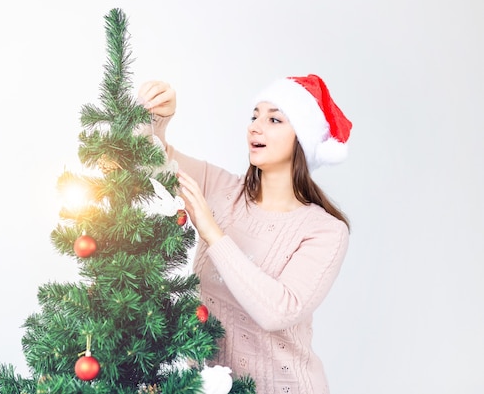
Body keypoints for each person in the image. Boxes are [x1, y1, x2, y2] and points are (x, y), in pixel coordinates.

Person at [137, 74, 353, 394]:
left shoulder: (324, 231)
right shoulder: (221, 188)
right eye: (254, 116)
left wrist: (212, 232)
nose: (255, 126)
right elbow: (151, 164)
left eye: (274, 119)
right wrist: (155, 121)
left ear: (302, 140)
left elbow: (278, 311)